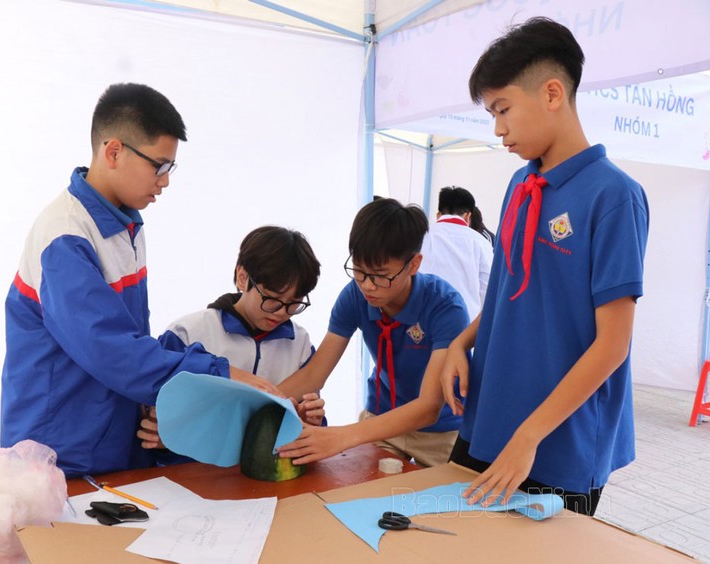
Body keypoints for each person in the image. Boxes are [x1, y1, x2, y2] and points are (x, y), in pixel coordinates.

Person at [0, 83, 278, 478]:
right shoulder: (65, 237)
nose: (164, 181)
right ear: (113, 152)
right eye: (158, 166)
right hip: (59, 454)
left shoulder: (124, 221)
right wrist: (221, 374)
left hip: (108, 439)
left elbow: (132, 336)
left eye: (170, 168)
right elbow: (113, 351)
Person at [440, 17, 649, 516]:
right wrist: (461, 342)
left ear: (552, 93)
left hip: (557, 442)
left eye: (503, 109)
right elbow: (507, 295)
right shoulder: (519, 185)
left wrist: (530, 434)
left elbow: (613, 344)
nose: (498, 128)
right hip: (490, 420)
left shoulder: (614, 197)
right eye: (491, 113)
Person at [276, 198, 470, 467]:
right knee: (357, 493)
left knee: (439, 504)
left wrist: (341, 436)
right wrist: (260, 402)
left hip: (441, 430)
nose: (368, 286)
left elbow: (428, 407)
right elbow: (313, 374)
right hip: (380, 420)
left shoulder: (446, 306)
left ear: (413, 264)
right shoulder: (355, 296)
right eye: (358, 270)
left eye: (380, 275)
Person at [137, 226, 326, 450]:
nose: (282, 312)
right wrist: (169, 437)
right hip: (191, 473)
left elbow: (308, 429)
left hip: (265, 474)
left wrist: (308, 422)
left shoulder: (300, 344)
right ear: (242, 277)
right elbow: (154, 422)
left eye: (295, 303)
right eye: (273, 299)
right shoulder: (187, 333)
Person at [419, 186, 493, 321]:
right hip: (465, 327)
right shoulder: (481, 243)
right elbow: (488, 291)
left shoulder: (420, 237)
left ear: (438, 215)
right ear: (468, 216)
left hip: (421, 325)